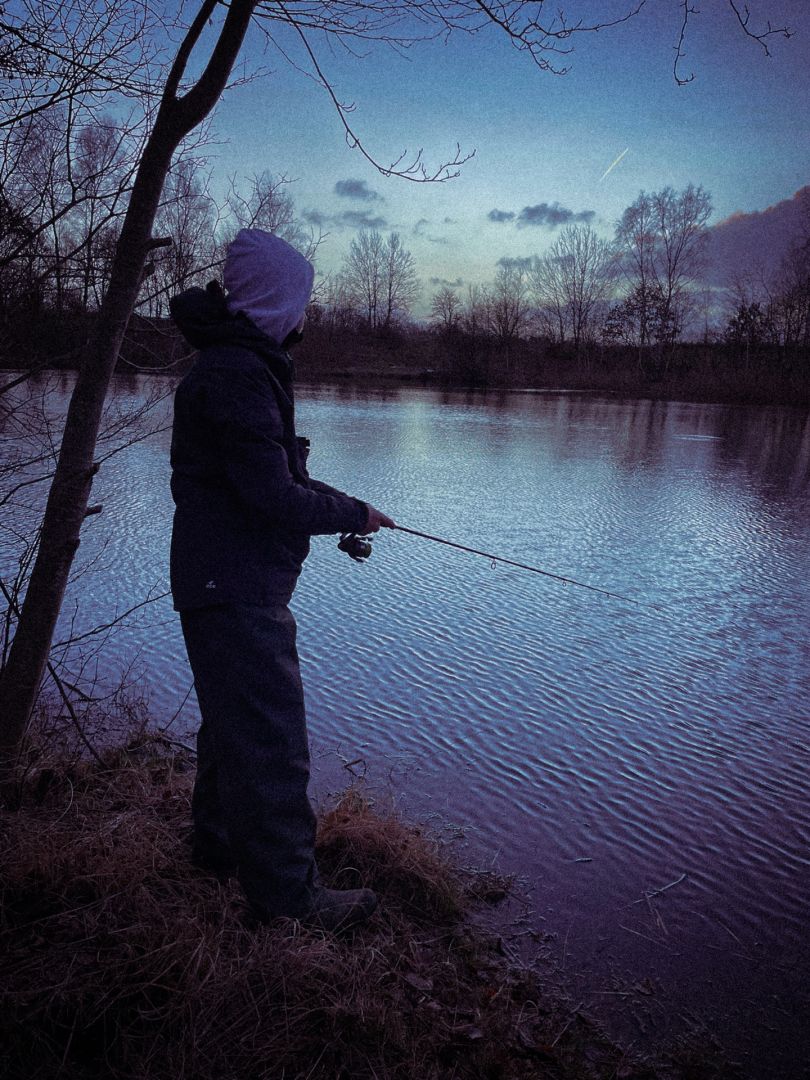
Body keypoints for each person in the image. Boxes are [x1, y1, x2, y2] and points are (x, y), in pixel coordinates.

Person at [168, 229, 395, 930]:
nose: (308, 313)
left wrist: (351, 507)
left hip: (222, 582)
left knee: (234, 726)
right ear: (277, 303)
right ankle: (288, 903)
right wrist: (347, 512)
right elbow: (273, 499)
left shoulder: (244, 366)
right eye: (302, 299)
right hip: (236, 588)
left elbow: (279, 476)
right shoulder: (239, 373)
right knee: (271, 744)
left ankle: (220, 848)